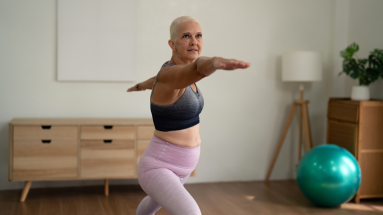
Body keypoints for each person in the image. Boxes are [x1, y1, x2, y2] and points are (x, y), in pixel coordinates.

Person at [127, 16, 251, 215]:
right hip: (158, 167)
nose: (194, 41)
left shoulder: (172, 75)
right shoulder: (171, 75)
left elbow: (160, 79)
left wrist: (141, 85)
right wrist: (213, 62)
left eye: (198, 36)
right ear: (172, 44)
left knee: (152, 204)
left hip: (182, 168)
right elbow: (196, 68)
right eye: (186, 36)